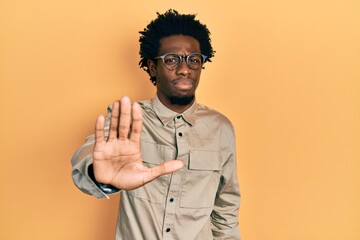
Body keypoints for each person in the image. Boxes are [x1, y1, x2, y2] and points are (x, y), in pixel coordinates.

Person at [71, 9, 241, 240]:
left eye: (193, 60)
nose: (184, 69)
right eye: (171, 60)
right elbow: (89, 154)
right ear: (152, 67)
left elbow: (226, 209)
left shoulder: (221, 129)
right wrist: (100, 176)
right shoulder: (127, 119)